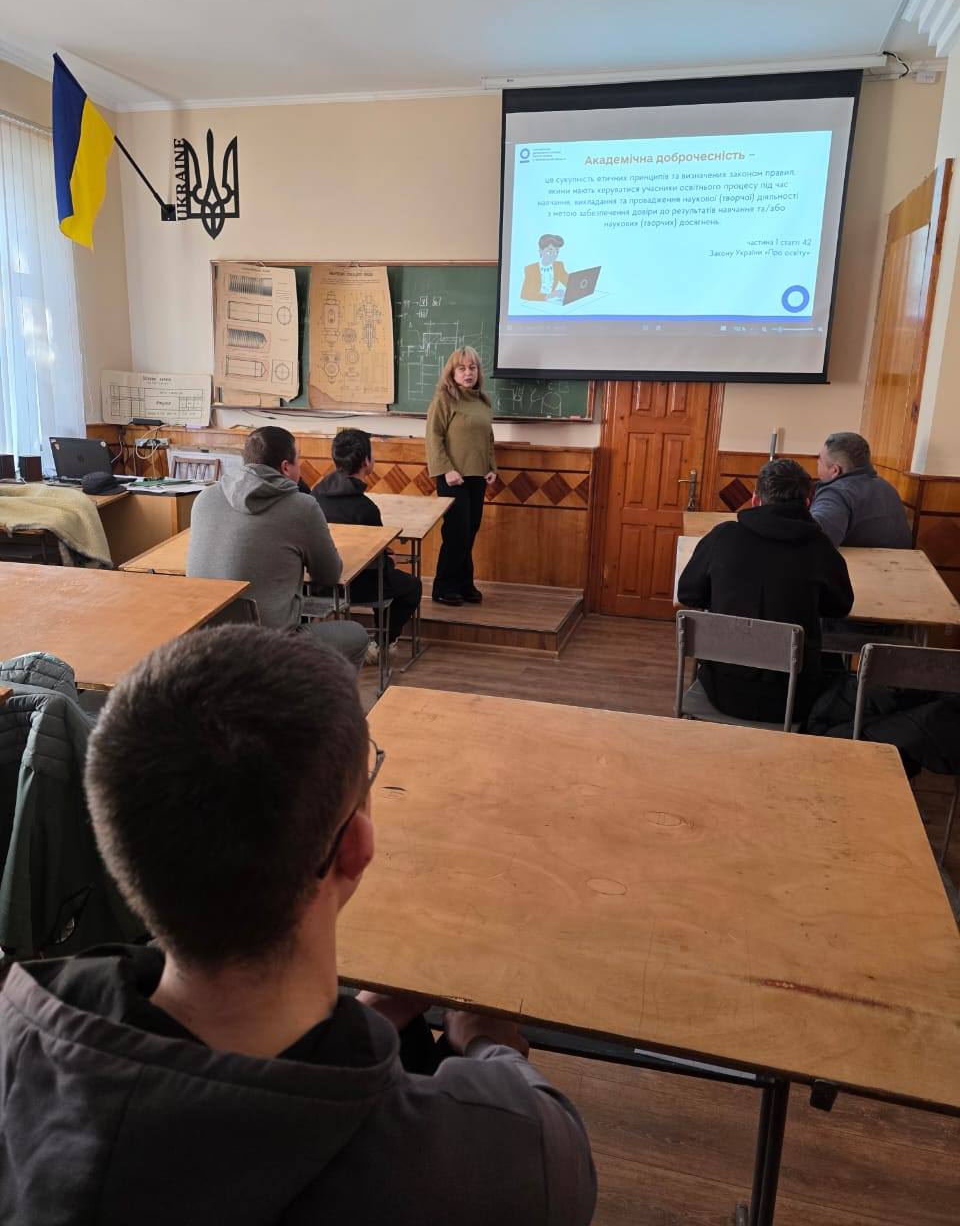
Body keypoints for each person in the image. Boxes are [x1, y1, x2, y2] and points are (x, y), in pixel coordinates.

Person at [0, 628, 597, 1226]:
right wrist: (489, 1043)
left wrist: (369, 1019)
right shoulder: (513, 1157)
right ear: (355, 848)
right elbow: (551, 1137)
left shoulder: (17, 1032)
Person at [677, 458, 854, 723]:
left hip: (723, 690)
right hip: (793, 698)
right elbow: (840, 606)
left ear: (755, 500)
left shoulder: (722, 537)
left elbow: (688, 594)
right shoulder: (819, 547)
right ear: (807, 503)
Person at [186, 425, 368, 669]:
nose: (299, 467)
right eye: (298, 460)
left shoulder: (204, 498)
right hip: (269, 645)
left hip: (203, 641)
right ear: (285, 467)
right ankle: (316, 694)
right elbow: (329, 575)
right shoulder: (302, 507)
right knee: (356, 636)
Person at [312, 428, 422, 663]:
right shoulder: (366, 509)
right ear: (366, 462)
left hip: (320, 583)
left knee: (385, 574)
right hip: (355, 584)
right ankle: (381, 644)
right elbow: (376, 563)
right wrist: (388, 559)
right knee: (410, 586)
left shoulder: (314, 497)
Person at [425, 347, 497, 606]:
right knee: (456, 531)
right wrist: (447, 470)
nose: (468, 373)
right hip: (452, 476)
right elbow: (433, 438)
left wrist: (491, 467)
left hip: (478, 475)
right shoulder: (444, 400)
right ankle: (443, 587)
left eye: (472, 368)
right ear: (452, 373)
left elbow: (488, 438)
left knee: (470, 531)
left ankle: (464, 584)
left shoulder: (483, 402)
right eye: (462, 368)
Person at [810, 431, 912, 548]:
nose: (817, 461)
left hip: (863, 560)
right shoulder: (887, 487)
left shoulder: (836, 494)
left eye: (820, 458)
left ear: (835, 470)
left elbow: (813, 540)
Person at [521, 233, 569, 301]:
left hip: (552, 302)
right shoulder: (531, 269)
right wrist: (550, 295)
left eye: (557, 252)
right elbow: (524, 295)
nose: (554, 256)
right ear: (540, 251)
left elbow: (569, 283)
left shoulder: (558, 266)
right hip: (535, 303)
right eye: (549, 252)